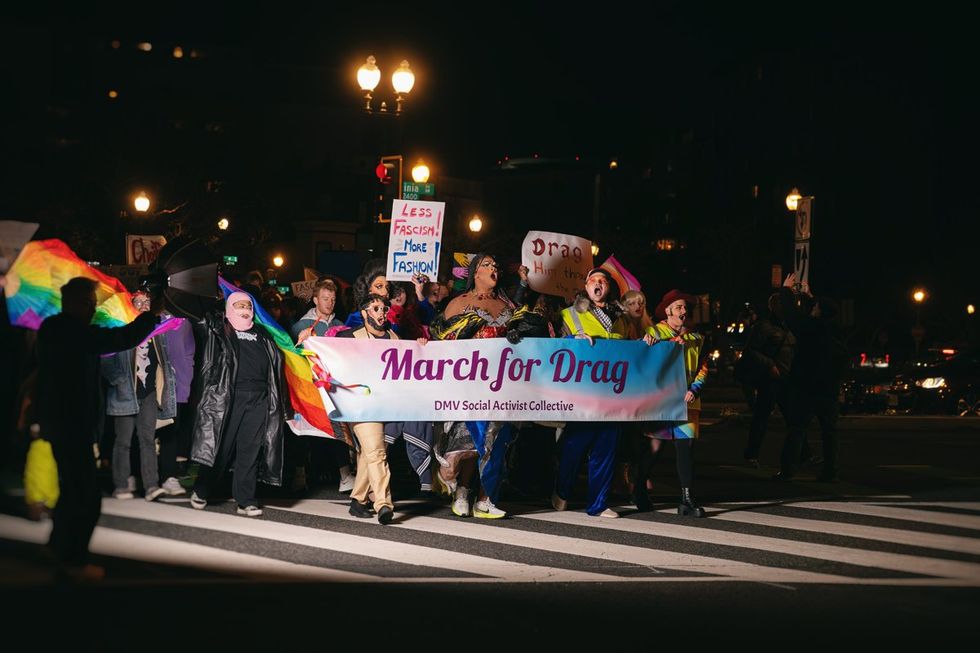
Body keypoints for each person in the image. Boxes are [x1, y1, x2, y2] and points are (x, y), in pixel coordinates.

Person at [36, 277, 161, 581]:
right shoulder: (69, 331)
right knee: (86, 497)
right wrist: (151, 315)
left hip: (63, 422)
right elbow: (120, 339)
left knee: (72, 490)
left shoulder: (54, 329)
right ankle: (74, 559)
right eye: (89, 303)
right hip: (71, 422)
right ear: (74, 302)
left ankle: (58, 547)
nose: (93, 309)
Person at [429, 253, 540, 519]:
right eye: (487, 265)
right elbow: (442, 340)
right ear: (475, 272)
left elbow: (528, 337)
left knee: (494, 442)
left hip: (502, 386)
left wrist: (519, 334)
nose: (494, 268)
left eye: (496, 265)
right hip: (468, 385)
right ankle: (460, 489)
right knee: (462, 447)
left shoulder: (507, 304)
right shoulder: (458, 303)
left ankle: (485, 499)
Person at [189, 292, 288, 517]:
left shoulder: (263, 333)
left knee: (250, 450)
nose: (244, 310)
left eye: (248, 306)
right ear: (229, 308)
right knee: (221, 448)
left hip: (260, 398)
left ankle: (245, 500)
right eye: (239, 305)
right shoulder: (218, 329)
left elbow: (281, 356)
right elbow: (202, 321)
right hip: (229, 397)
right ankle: (202, 489)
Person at [552, 268, 624, 518]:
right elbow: (555, 346)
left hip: (613, 393)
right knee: (574, 446)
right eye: (593, 280)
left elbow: (632, 349)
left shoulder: (621, 318)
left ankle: (598, 503)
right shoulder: (569, 313)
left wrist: (647, 342)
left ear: (608, 288)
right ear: (586, 286)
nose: (598, 284)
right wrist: (573, 339)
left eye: (603, 281)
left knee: (606, 448)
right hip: (582, 392)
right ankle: (562, 491)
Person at [101, 290, 177, 502]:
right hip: (125, 391)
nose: (144, 305)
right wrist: (118, 380)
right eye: (139, 302)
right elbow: (106, 358)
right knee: (123, 440)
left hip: (148, 392)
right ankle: (121, 485)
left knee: (147, 439)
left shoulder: (156, 330)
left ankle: (151, 486)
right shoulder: (122, 327)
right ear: (130, 305)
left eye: (147, 301)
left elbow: (163, 359)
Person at [641, 289, 709, 517]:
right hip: (660, 401)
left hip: (687, 402)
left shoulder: (696, 338)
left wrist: (695, 389)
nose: (683, 311)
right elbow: (642, 359)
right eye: (679, 307)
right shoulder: (653, 332)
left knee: (685, 448)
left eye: (685, 307)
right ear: (668, 311)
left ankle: (686, 499)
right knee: (655, 447)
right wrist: (649, 343)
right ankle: (639, 489)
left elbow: (703, 367)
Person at [773, 275, 847, 482]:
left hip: (806, 386)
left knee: (797, 429)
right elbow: (820, 312)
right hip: (829, 387)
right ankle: (830, 471)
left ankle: (788, 470)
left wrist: (786, 290)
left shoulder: (811, 328)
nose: (813, 309)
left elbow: (792, 316)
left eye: (815, 307)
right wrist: (810, 296)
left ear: (818, 311)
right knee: (829, 431)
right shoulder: (835, 331)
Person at [340, 293, 401, 525]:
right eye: (376, 308)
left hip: (387, 403)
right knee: (376, 452)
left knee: (369, 452)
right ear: (364, 313)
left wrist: (421, 347)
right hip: (361, 405)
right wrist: (308, 338)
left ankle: (358, 500)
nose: (382, 313)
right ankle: (383, 503)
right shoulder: (349, 337)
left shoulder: (395, 337)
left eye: (384, 308)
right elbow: (325, 352)